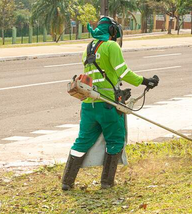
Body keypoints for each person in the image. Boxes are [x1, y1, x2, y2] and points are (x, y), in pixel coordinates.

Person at [61, 16, 159, 191]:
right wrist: (146, 81)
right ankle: (107, 182)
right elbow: (124, 73)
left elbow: (97, 78)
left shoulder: (89, 48)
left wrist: (118, 90)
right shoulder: (111, 46)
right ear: (113, 31)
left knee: (82, 142)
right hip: (107, 105)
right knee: (115, 140)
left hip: (89, 104)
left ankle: (67, 182)